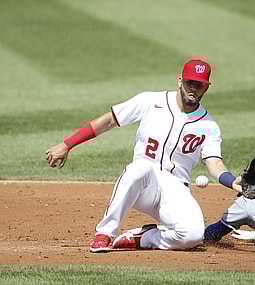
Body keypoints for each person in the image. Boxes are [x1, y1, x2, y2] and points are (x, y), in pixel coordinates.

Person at [46, 58, 242, 253]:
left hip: (176, 189)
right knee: (141, 166)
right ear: (180, 81)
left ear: (206, 88)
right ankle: (104, 233)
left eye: (199, 85)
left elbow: (215, 163)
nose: (194, 89)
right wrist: (67, 144)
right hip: (142, 183)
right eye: (190, 82)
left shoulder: (209, 126)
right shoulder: (150, 101)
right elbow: (108, 121)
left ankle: (144, 237)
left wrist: (232, 182)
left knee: (193, 236)